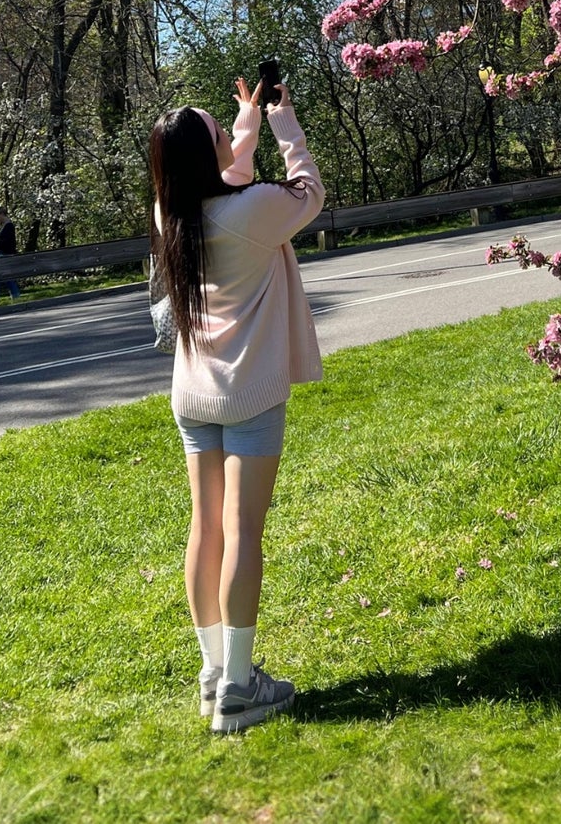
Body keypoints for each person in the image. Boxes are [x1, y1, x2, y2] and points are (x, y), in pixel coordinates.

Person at [149, 76, 324, 733]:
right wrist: (285, 127)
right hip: (247, 392)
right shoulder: (252, 215)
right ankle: (241, 690)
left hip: (192, 394)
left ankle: (213, 670)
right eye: (220, 131)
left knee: (207, 529)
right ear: (208, 154)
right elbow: (307, 192)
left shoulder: (173, 213)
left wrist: (245, 119)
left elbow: (231, 174)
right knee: (244, 533)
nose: (230, 135)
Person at [0, 207, 21, 304]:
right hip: (2, 254)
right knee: (8, 277)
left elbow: (7, 242)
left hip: (5, 254)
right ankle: (16, 296)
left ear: (2, 214)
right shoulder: (4, 226)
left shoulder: (9, 226)